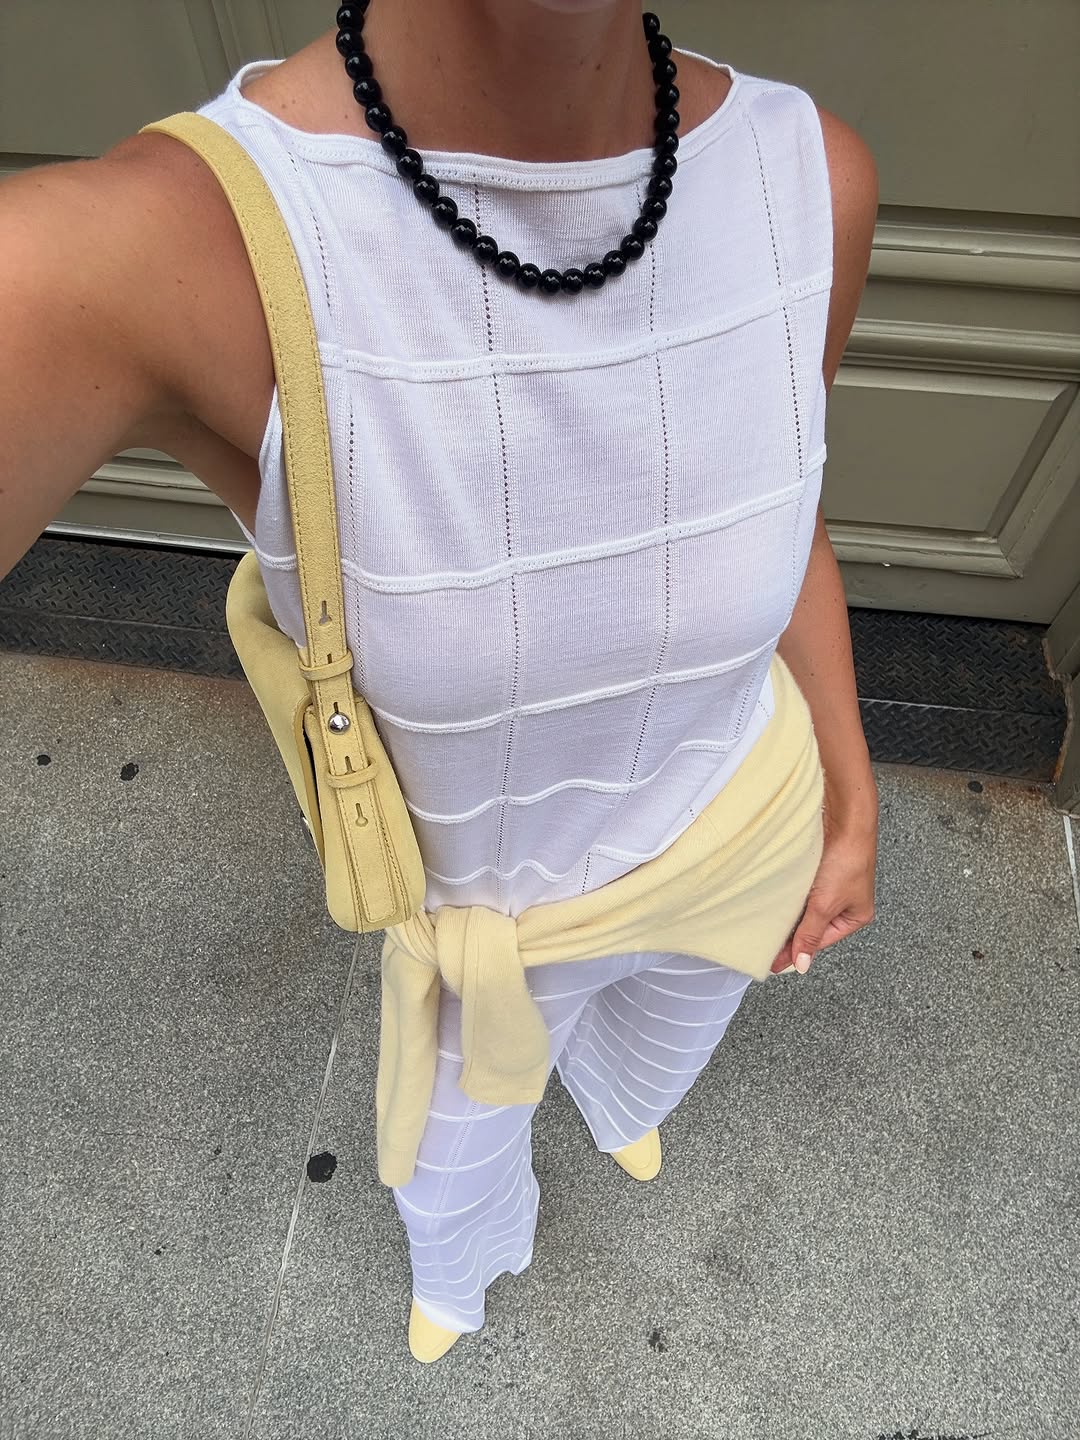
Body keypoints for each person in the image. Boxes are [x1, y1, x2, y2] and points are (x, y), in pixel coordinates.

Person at [0, 0, 879, 1365]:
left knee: (661, 1048)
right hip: (491, 942)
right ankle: (465, 1276)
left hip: (745, 831)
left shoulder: (811, 173)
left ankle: (620, 1106)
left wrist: (849, 789)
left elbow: (791, 501)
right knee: (455, 1168)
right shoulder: (159, 250)